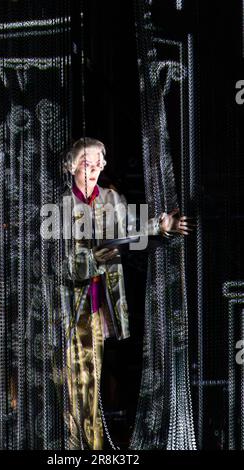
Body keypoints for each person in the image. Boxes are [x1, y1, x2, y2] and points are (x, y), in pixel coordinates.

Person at [61, 137, 192, 450]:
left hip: (94, 309)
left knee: (91, 387)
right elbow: (62, 262)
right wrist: (95, 257)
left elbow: (135, 229)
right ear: (72, 167)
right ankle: (69, 447)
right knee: (67, 389)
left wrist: (162, 225)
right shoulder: (61, 204)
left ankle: (89, 450)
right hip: (64, 310)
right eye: (86, 164)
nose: (93, 170)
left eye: (97, 164)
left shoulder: (110, 199)